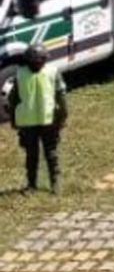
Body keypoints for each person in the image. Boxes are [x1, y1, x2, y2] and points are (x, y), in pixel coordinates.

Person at [5, 44, 67, 194]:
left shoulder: (53, 72)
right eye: (34, 61)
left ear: (46, 60)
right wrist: (14, 120)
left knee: (51, 153)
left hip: (49, 121)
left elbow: (61, 97)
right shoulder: (20, 74)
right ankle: (32, 184)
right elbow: (13, 100)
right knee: (31, 155)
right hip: (28, 123)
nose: (38, 64)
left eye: (41, 61)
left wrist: (62, 117)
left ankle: (55, 182)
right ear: (28, 61)